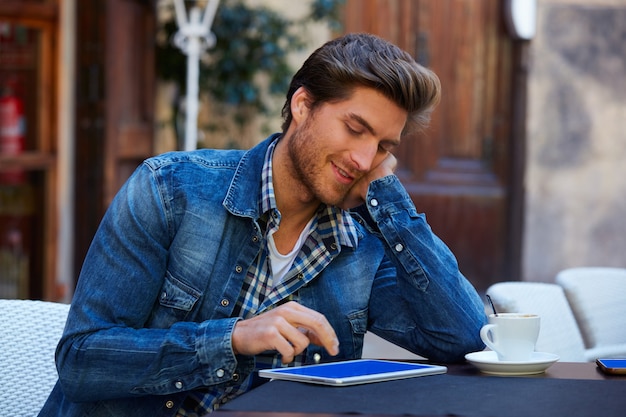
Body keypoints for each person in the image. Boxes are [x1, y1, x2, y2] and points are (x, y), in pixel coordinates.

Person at [39, 33, 486, 417]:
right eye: (354, 128)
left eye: (383, 147)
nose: (364, 159)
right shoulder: (170, 190)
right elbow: (82, 361)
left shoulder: (363, 244)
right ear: (303, 106)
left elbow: (466, 339)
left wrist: (390, 200)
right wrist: (232, 339)